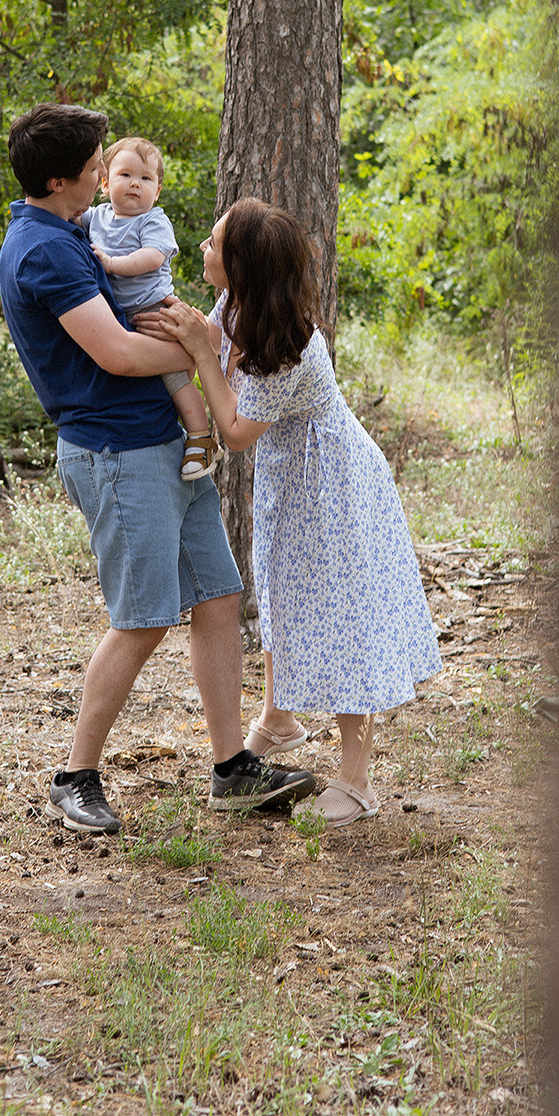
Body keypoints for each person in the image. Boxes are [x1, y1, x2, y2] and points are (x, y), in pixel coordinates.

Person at [0, 104, 316, 834]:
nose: (103, 171)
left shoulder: (72, 229)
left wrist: (206, 351)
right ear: (61, 178)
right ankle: (76, 775)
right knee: (141, 621)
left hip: (164, 442)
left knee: (217, 599)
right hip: (117, 453)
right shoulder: (43, 250)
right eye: (93, 164)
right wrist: (209, 351)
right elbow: (117, 352)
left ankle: (233, 768)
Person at [150, 198, 443, 828]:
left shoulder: (290, 349)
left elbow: (233, 430)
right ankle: (277, 722)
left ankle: (357, 780)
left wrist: (202, 353)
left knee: (341, 614)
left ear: (243, 267)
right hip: (292, 479)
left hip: (333, 484)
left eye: (215, 243)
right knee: (283, 596)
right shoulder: (237, 307)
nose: (203, 246)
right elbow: (215, 350)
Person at [81, 135, 218, 481]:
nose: (135, 184)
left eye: (146, 179)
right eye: (126, 175)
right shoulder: (95, 217)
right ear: (105, 181)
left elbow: (151, 257)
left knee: (174, 380)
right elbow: (63, 220)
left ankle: (201, 440)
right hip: (120, 318)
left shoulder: (152, 221)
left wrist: (111, 263)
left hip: (156, 311)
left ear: (156, 192)